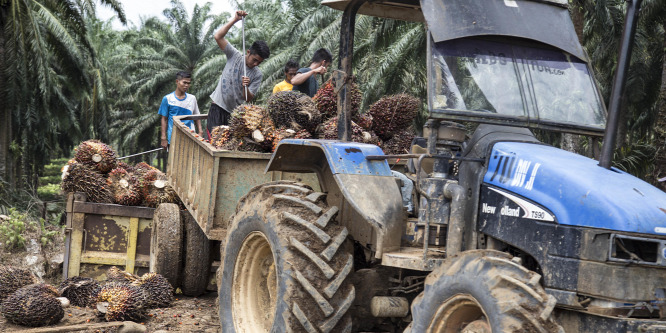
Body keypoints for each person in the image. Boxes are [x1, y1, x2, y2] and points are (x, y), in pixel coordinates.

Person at [208, 10, 270, 136]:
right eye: (255, 60)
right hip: (218, 107)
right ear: (248, 52)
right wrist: (235, 20)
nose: (256, 64)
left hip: (234, 114)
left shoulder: (257, 75)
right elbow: (218, 37)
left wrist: (245, 87)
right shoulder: (234, 55)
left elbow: (248, 98)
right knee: (213, 142)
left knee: (227, 145)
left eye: (259, 62)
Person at [159, 71, 202, 149]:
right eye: (184, 82)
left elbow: (197, 116)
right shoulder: (167, 99)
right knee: (173, 160)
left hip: (191, 136)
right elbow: (164, 119)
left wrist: (200, 132)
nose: (186, 85)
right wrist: (163, 137)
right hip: (173, 137)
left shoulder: (192, 98)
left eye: (188, 83)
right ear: (177, 81)